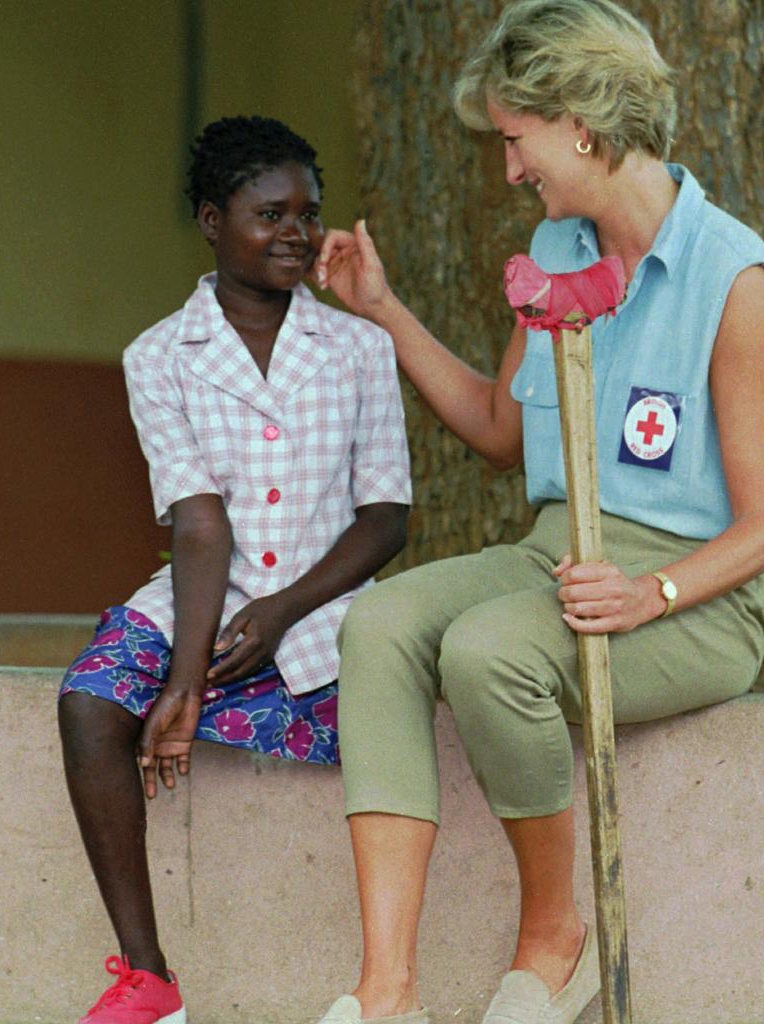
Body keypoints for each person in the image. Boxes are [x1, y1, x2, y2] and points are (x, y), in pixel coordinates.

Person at [313, 1, 764, 1022]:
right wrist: (382, 309)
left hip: (702, 594)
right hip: (558, 555)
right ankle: (386, 989)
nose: (510, 167)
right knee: (378, 622)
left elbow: (762, 526)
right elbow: (499, 426)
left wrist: (651, 593)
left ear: (582, 125)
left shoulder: (734, 281)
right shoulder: (557, 244)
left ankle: (556, 940)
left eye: (517, 140)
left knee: (488, 653)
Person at [58, 114, 411, 1024]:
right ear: (213, 221)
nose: (295, 233)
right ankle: (148, 980)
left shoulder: (359, 350)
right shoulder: (157, 357)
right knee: (91, 702)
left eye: (308, 213)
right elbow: (201, 528)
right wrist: (181, 685)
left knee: (358, 713)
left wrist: (287, 608)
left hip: (323, 602)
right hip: (202, 595)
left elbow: (387, 519)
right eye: (269, 214)